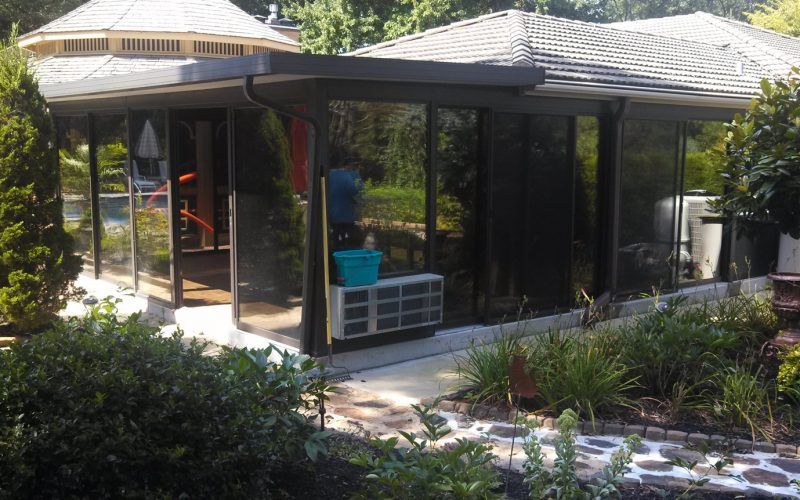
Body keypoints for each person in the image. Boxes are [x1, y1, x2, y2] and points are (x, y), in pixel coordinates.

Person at [328, 157, 364, 249]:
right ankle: (345, 252)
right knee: (346, 236)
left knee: (336, 233)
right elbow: (355, 190)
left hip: (332, 212)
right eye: (353, 167)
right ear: (349, 166)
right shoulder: (348, 175)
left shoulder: (331, 174)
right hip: (345, 212)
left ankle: (335, 252)